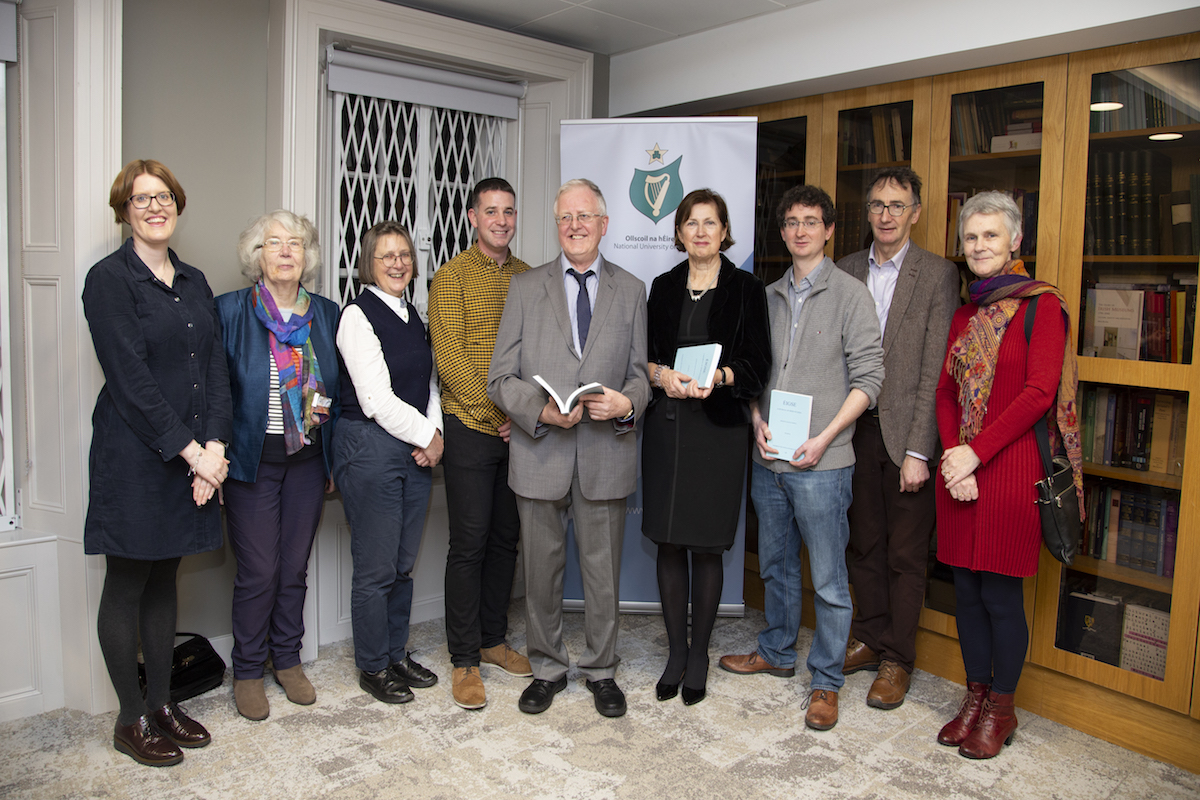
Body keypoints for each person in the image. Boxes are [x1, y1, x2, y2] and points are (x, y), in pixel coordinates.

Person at [719, 184, 884, 732]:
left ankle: (826, 682)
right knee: (776, 566)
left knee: (831, 580)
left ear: (829, 230)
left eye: (811, 221)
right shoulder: (763, 297)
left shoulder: (852, 295)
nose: (800, 230)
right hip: (769, 459)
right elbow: (751, 373)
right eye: (790, 221)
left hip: (823, 462)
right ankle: (776, 651)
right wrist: (756, 421)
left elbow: (869, 380)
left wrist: (825, 437)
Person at [83, 159, 232, 766]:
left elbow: (215, 372)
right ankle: (130, 717)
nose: (154, 206)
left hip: (193, 455)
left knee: (165, 576)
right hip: (135, 454)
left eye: (164, 196)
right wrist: (194, 453)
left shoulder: (194, 281)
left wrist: (215, 449)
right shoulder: (108, 280)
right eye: (141, 198)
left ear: (177, 204)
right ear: (124, 210)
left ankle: (164, 703)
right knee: (128, 582)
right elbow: (132, 382)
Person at [488, 178, 650, 718]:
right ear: (556, 226)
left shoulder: (632, 290)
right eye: (564, 218)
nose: (575, 226)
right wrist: (540, 412)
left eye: (585, 217)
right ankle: (548, 667)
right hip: (539, 455)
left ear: (604, 225)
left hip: (605, 455)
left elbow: (639, 377)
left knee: (603, 574)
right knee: (540, 572)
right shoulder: (526, 287)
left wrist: (626, 404)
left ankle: (602, 670)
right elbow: (500, 379)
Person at [935, 190, 1081, 759]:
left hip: (1012, 470)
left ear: (1016, 240)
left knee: (999, 594)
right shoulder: (965, 312)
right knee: (965, 594)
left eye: (991, 236)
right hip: (961, 473)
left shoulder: (1043, 306)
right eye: (971, 237)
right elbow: (946, 391)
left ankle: (1001, 708)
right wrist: (954, 456)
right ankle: (972, 698)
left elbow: (1039, 393)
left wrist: (976, 454)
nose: (979, 246)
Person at [836, 167, 959, 709]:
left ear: (915, 213)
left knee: (906, 555)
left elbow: (936, 368)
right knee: (862, 544)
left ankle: (897, 660)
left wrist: (918, 451)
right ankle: (867, 635)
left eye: (897, 205)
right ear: (868, 213)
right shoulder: (841, 270)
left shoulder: (937, 275)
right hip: (851, 430)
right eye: (878, 205)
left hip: (907, 434)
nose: (886, 215)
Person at [643, 188, 771, 706]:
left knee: (706, 545)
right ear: (679, 233)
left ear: (724, 232)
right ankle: (676, 651)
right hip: (668, 427)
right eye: (691, 223)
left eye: (710, 222)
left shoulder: (746, 289)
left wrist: (718, 376)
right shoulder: (663, 286)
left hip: (717, 431)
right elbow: (644, 358)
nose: (700, 231)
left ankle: (700, 655)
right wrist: (660, 376)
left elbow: (758, 365)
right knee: (669, 541)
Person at [214, 210, 340, 721]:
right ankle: (247, 670)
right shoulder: (229, 312)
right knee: (259, 570)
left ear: (307, 256)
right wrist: (213, 457)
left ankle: (286, 660)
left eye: (296, 243)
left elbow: (343, 390)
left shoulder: (326, 314)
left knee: (293, 566)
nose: (287, 251)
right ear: (256, 256)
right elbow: (215, 392)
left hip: (309, 459)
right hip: (251, 459)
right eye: (275, 243)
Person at [428, 178, 532, 710]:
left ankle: (493, 641)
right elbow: (451, 362)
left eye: (509, 212)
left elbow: (540, 355)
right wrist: (504, 413)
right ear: (473, 216)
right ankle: (464, 658)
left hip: (519, 434)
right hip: (470, 428)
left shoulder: (531, 277)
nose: (501, 220)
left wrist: (525, 413)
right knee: (468, 543)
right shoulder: (449, 278)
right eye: (491, 211)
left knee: (505, 539)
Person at [333, 220, 443, 704]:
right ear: (368, 265)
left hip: (414, 448)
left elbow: (429, 384)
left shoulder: (412, 315)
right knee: (376, 568)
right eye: (386, 256)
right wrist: (428, 435)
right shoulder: (357, 316)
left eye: (404, 255)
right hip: (370, 448)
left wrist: (433, 434)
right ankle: (373, 666)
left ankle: (396, 653)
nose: (398, 263)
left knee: (402, 565)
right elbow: (376, 398)